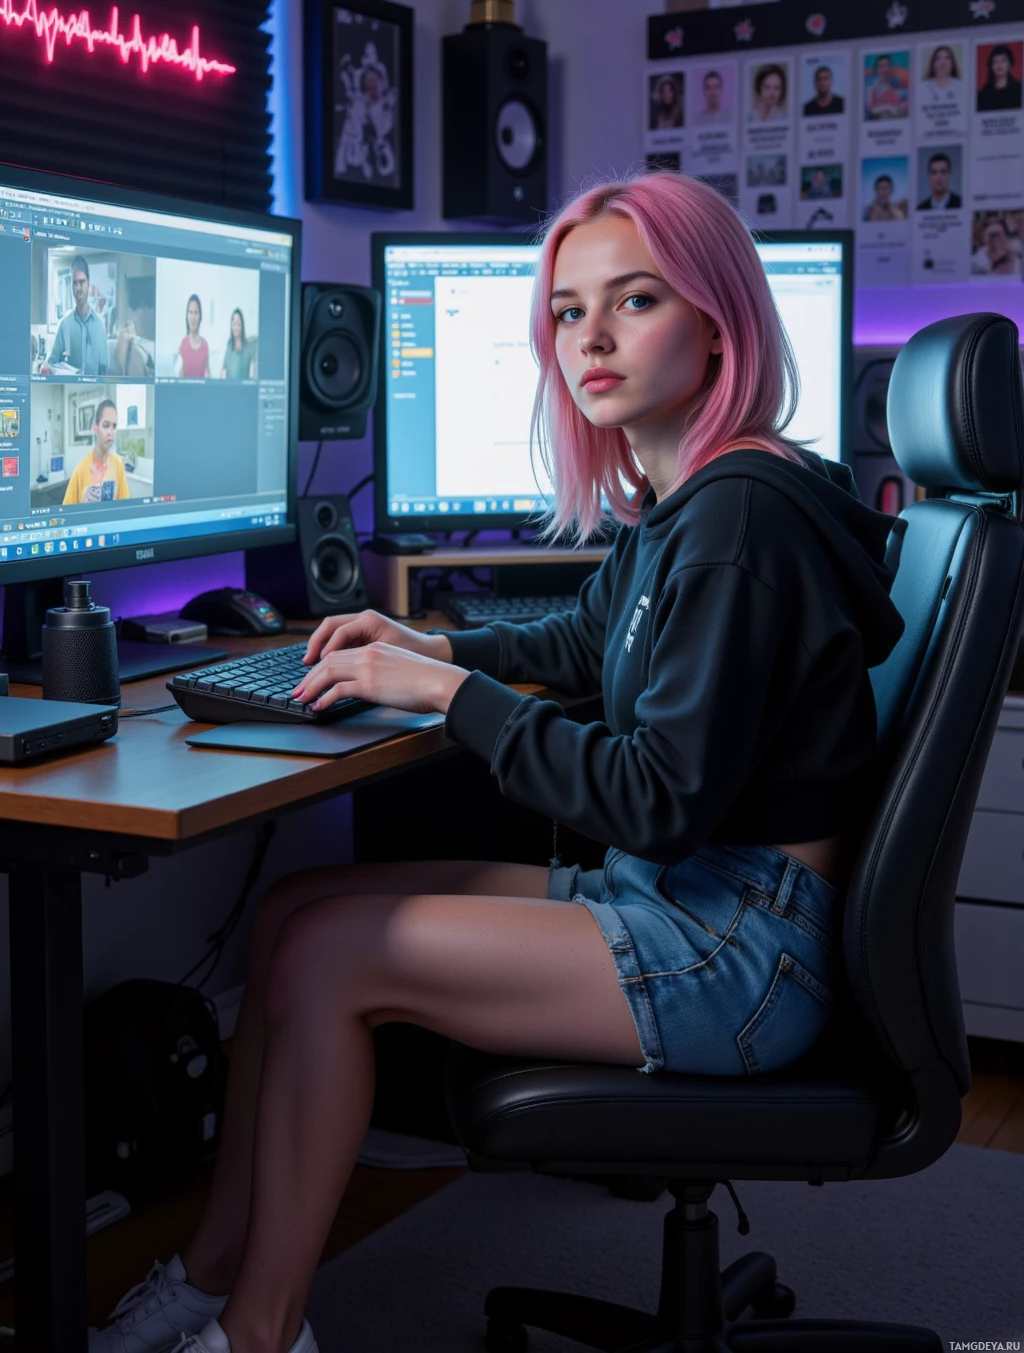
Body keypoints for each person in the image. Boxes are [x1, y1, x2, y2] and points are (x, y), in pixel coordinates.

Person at [89, 173, 904, 1353]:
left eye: (635, 300)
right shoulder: (692, 494)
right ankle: (213, 1271)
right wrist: (433, 645)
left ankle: (262, 1333)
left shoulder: (739, 520)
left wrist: (449, 696)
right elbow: (584, 640)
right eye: (569, 311)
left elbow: (654, 801)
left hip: (734, 948)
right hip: (689, 901)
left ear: (720, 322)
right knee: (290, 913)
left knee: (322, 954)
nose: (591, 338)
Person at [40, 256, 108, 377]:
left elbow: (105, 371)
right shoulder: (64, 324)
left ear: (88, 283)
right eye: (75, 283)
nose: (78, 289)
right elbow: (50, 363)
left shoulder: (99, 326)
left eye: (81, 282)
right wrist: (45, 368)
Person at [61, 399, 129, 504]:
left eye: (114, 426)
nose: (111, 432)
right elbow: (66, 511)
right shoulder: (80, 470)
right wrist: (84, 504)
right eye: (106, 425)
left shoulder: (118, 465)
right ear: (95, 428)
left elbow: (126, 507)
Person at [976, 45, 1023, 112]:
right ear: (991, 66)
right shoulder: (983, 94)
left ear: (1010, 64)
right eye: (995, 62)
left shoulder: (1020, 89)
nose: (999, 65)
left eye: (1003, 61)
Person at [174, 294, 210, 378]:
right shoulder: (183, 344)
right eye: (190, 312)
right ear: (187, 316)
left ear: (200, 316)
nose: (193, 317)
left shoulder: (205, 346)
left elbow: (208, 378)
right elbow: (179, 379)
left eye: (196, 313)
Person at [865, 54, 908, 120]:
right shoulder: (871, 87)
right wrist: (888, 108)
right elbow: (871, 109)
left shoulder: (897, 84)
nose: (886, 69)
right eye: (882, 66)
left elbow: (904, 101)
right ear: (877, 68)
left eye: (888, 65)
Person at [221, 308, 257, 379]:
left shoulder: (248, 347)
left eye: (238, 324)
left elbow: (254, 371)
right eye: (234, 324)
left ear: (242, 326)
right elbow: (223, 371)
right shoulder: (229, 347)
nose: (236, 327)